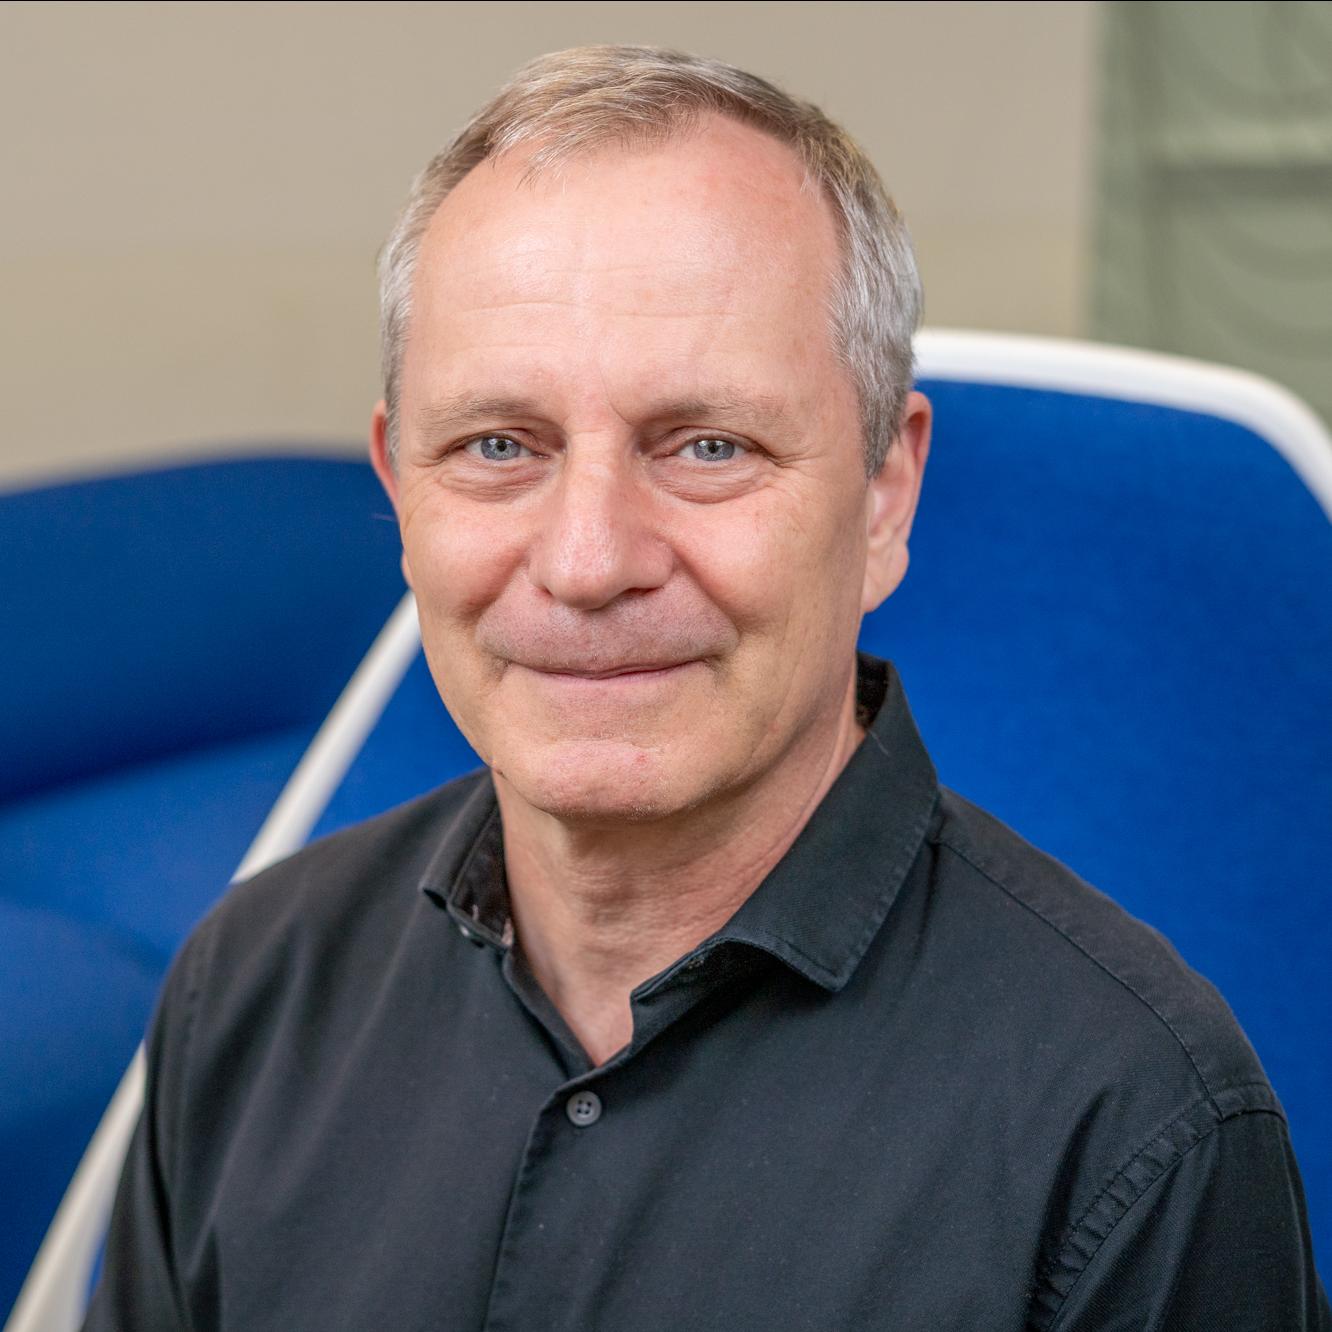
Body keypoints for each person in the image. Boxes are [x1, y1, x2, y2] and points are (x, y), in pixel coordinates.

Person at [87, 45, 1328, 1331]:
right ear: (401, 489)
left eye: (708, 446)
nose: (586, 562)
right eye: (500, 446)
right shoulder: (253, 989)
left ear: (885, 497)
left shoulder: (1135, 1128)